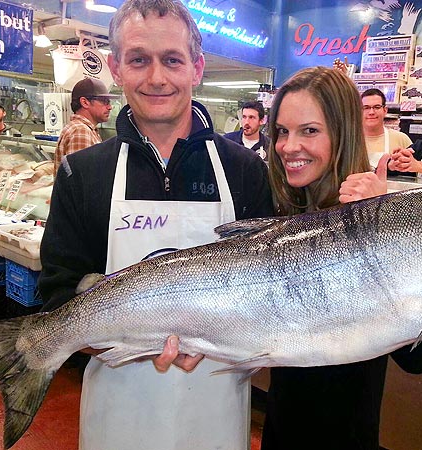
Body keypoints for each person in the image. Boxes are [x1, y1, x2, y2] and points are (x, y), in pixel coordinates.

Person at [37, 0, 273, 449]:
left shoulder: (245, 171)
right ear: (116, 68)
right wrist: (126, 336)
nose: (157, 78)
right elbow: (58, 297)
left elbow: (268, 295)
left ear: (197, 68)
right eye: (139, 60)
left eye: (172, 60)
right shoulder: (82, 174)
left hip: (216, 414)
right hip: (118, 417)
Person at [261, 66, 422, 450]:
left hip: (348, 435)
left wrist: (382, 228)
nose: (289, 146)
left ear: (342, 132)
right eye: (282, 131)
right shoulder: (276, 209)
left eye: (309, 130)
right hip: (282, 428)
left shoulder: (377, 214)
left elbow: (419, 357)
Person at [54, 77, 116, 173]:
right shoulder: (80, 131)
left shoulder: (84, 129)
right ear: (85, 102)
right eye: (104, 101)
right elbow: (82, 181)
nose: (109, 107)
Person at [361, 88, 412, 168]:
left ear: (385, 110)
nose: (371, 112)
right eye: (366, 108)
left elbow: (413, 170)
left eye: (377, 107)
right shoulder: (350, 140)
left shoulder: (401, 139)